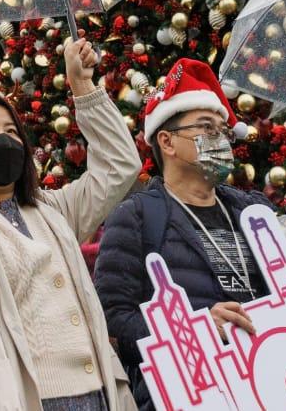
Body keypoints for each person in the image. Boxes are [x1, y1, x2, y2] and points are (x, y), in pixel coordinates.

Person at [0, 36, 142, 411]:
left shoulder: (52, 211)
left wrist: (83, 86)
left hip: (101, 395)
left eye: (11, 131)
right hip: (31, 402)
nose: (3, 139)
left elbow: (120, 166)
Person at [94, 58, 270, 411]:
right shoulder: (136, 216)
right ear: (167, 142)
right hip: (191, 393)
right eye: (206, 127)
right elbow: (113, 319)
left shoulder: (252, 211)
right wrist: (198, 329)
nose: (222, 138)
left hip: (267, 379)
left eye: (224, 130)